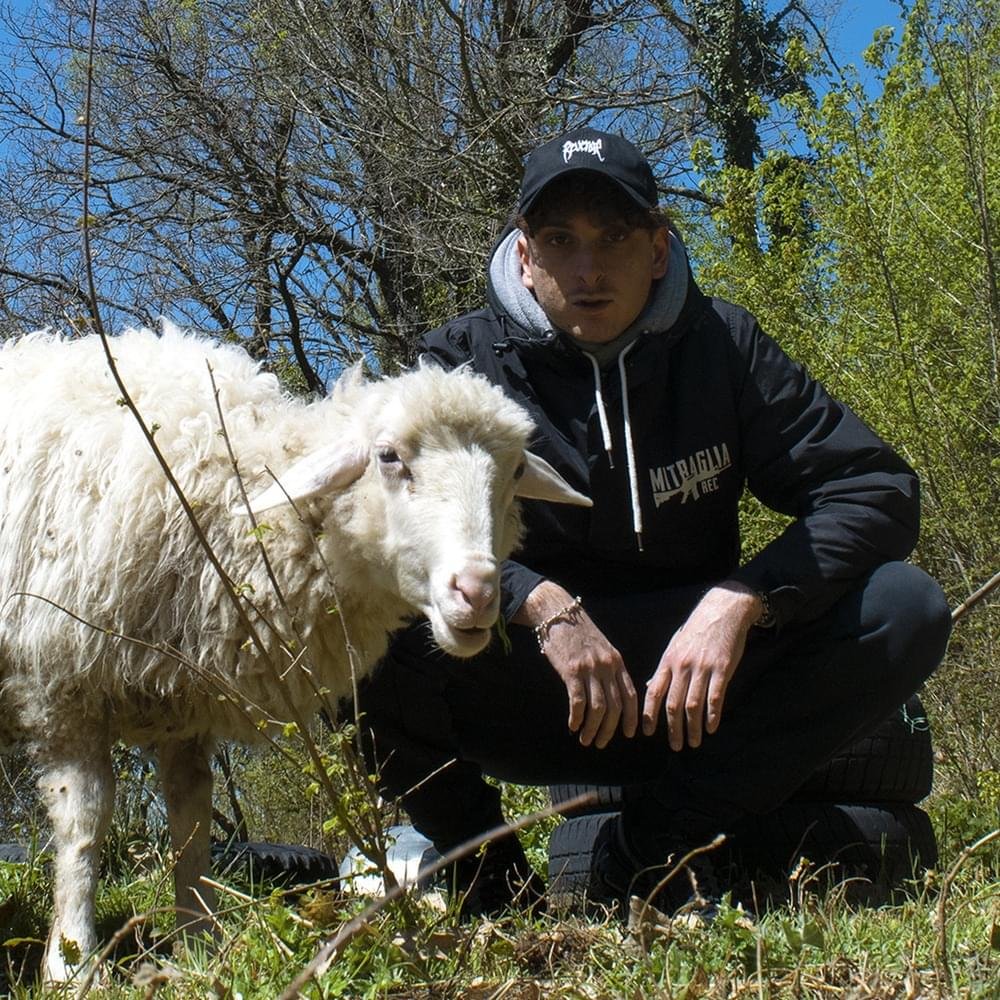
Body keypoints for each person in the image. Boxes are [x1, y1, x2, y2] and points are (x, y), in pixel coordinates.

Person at [357, 127, 952, 918]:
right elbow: (389, 536)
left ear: (660, 248)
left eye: (615, 238)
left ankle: (647, 855)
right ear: (525, 256)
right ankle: (492, 885)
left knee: (904, 606)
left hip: (695, 684)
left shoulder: (723, 347)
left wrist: (745, 598)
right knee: (348, 620)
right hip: (532, 687)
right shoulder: (462, 366)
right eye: (560, 241)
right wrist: (535, 600)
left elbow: (875, 487)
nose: (589, 270)